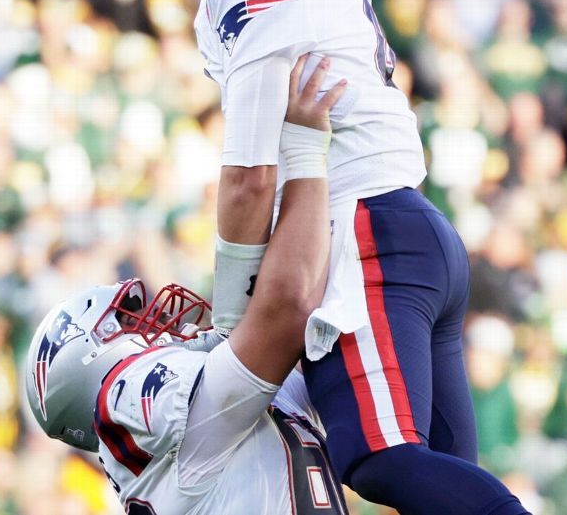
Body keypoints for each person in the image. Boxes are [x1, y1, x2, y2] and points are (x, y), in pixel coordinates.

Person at [146, 0, 529, 515]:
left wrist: (236, 321)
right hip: (413, 226)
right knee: (439, 485)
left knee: (378, 459)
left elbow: (251, 173)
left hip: (363, 234)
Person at [24, 56, 349, 514]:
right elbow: (290, 307)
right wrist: (304, 148)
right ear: (91, 363)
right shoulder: (139, 411)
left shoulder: (197, 430)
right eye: (127, 323)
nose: (155, 322)